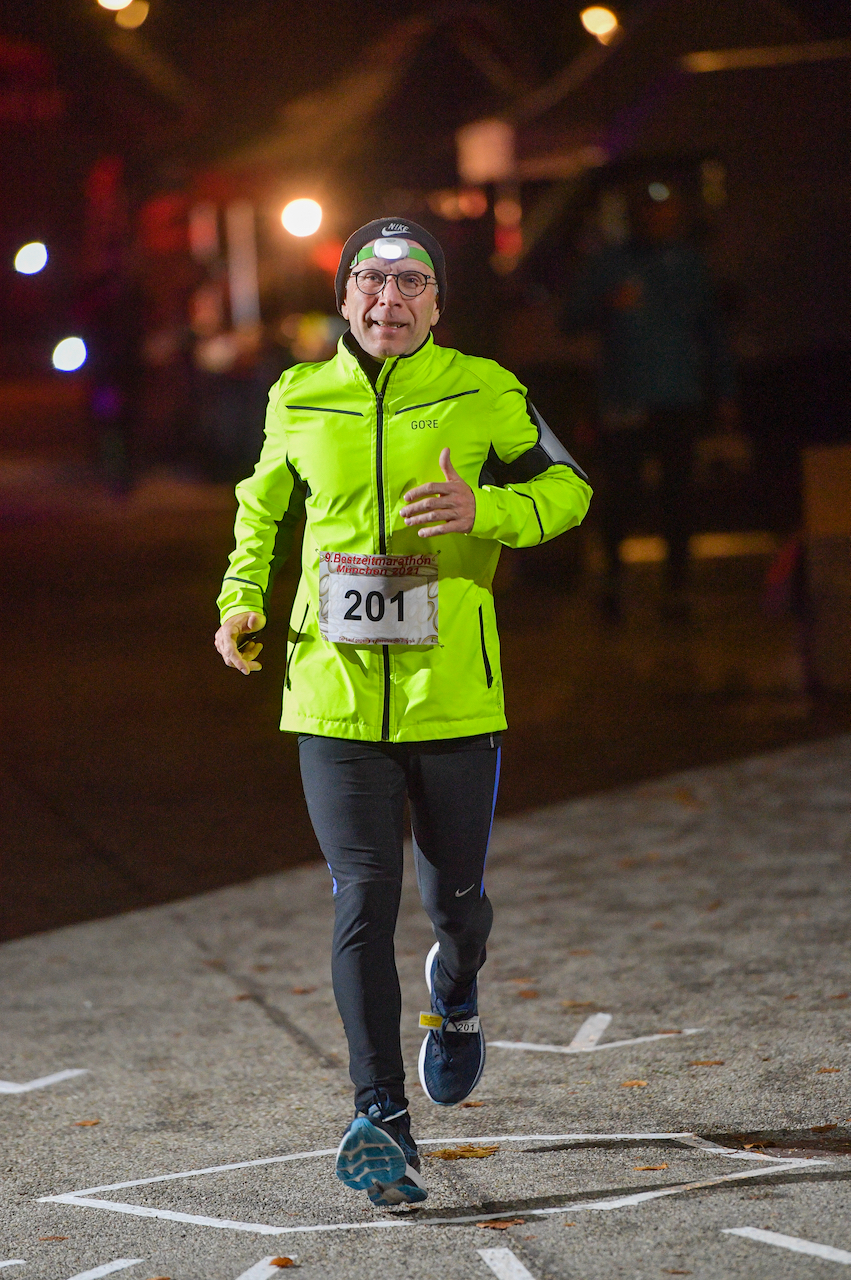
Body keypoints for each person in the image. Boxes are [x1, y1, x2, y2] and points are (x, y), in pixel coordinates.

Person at [214, 217, 591, 1208]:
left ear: (438, 301)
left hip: (451, 696)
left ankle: (454, 992)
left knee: (453, 900)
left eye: (410, 283)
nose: (389, 300)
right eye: (369, 282)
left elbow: (572, 487)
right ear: (342, 298)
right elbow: (259, 508)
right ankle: (380, 1115)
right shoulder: (298, 393)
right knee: (359, 895)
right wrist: (239, 597)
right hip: (331, 697)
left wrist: (489, 514)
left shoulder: (486, 389)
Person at [563, 184, 737, 619]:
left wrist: (725, 391)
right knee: (621, 491)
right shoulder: (611, 264)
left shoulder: (690, 265)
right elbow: (570, 318)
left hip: (678, 395)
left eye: (666, 209)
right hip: (625, 396)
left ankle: (677, 586)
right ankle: (614, 583)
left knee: (679, 493)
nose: (658, 218)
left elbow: (712, 331)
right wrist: (607, 304)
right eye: (650, 210)